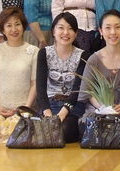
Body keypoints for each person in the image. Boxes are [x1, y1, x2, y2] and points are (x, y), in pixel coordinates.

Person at [0, 8, 39, 143]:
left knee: (11, 135)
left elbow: (35, 84)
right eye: (9, 25)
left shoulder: (34, 51)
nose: (14, 29)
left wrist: (25, 108)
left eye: (17, 24)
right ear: (2, 30)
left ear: (23, 26)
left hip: (23, 110)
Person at [36, 12, 89, 143]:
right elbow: (40, 88)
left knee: (64, 131)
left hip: (73, 106)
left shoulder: (83, 55)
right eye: (61, 28)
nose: (66, 32)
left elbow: (77, 90)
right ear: (53, 31)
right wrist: (48, 114)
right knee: (44, 129)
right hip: (50, 103)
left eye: (70, 29)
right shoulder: (44, 53)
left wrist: (62, 114)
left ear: (76, 34)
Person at [78, 10, 120, 114]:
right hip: (100, 112)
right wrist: (105, 109)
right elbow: (88, 92)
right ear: (101, 31)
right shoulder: (93, 59)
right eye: (108, 28)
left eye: (117, 27)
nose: (113, 32)